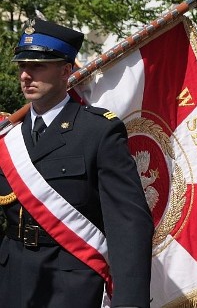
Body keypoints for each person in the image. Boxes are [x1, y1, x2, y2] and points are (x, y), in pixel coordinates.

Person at [0, 18, 153, 307]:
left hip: (72, 279)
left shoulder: (97, 131)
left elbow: (128, 222)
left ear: (65, 71)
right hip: (12, 275)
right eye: (22, 66)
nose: (25, 76)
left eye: (37, 66)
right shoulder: (10, 136)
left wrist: (129, 301)